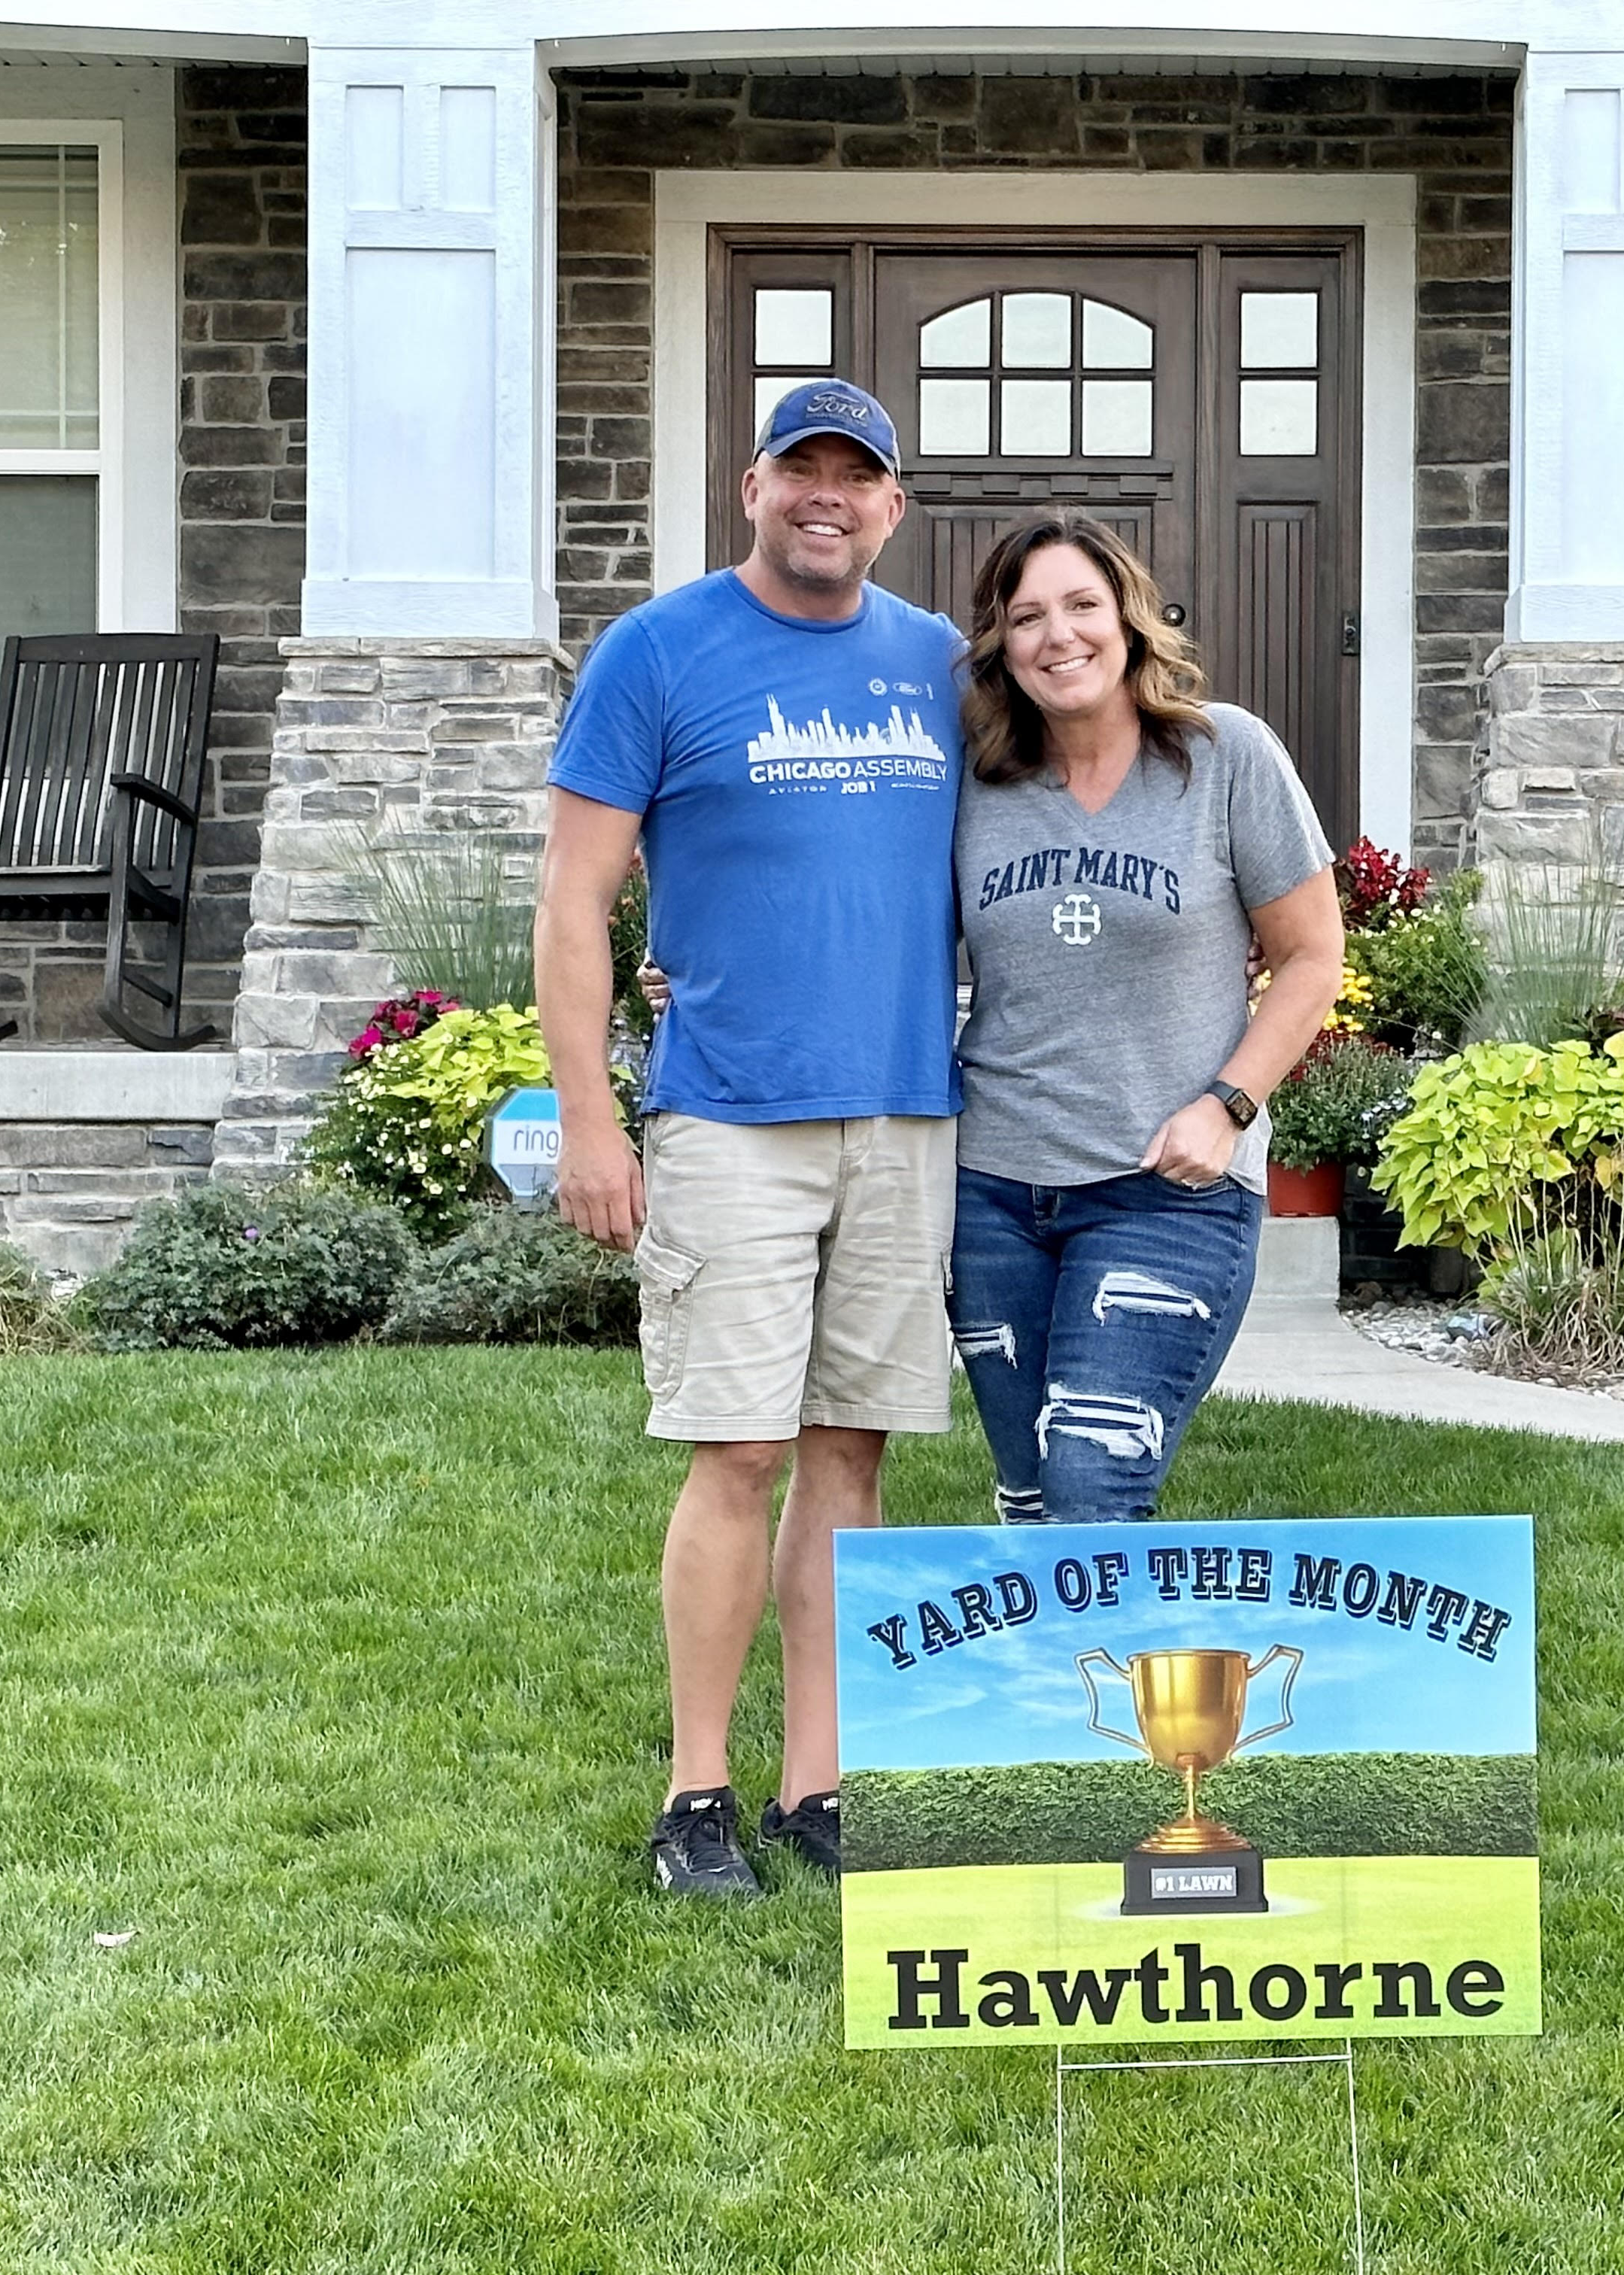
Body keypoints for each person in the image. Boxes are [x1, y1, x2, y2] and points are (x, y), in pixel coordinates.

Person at [533, 379, 964, 1900]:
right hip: (727, 1118)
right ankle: (696, 1794)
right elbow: (577, 898)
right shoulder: (658, 653)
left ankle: (817, 1788)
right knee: (738, 1451)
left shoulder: (943, 670)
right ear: (753, 486)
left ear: (893, 508)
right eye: (804, 471)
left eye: (859, 477)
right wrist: (592, 1116)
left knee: (854, 1453)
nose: (828, 497)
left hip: (908, 1113)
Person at [946, 515, 1346, 1522]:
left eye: (1081, 605)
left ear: (1128, 620)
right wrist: (706, 971)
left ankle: (1112, 1679)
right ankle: (1073, 1686)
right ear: (1002, 645)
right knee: (1034, 1499)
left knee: (1092, 1489)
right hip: (994, 1192)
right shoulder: (976, 783)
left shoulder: (1226, 758)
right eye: (1027, 616)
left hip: (1167, 1193)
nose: (1058, 635)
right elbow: (867, 927)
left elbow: (1311, 958)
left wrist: (1227, 1105)